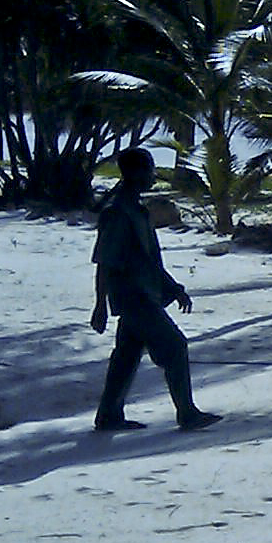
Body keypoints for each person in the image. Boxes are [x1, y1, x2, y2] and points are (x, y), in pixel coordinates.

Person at [91, 148, 220, 432]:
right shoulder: (118, 213)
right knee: (175, 346)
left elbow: (148, 259)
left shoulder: (136, 209)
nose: (153, 174)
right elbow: (105, 262)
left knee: (126, 356)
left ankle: (109, 415)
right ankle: (187, 413)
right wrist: (100, 305)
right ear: (135, 173)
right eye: (149, 169)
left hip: (144, 293)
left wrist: (173, 288)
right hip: (133, 297)